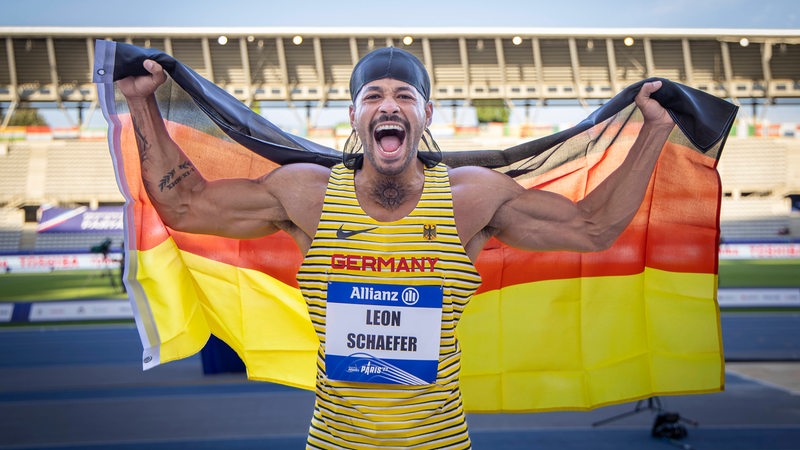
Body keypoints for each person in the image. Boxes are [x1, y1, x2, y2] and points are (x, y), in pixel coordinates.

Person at [118, 46, 674, 449]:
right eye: (373, 97)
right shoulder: (306, 194)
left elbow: (593, 227)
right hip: (334, 443)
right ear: (356, 117)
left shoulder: (471, 198)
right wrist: (143, 103)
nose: (389, 105)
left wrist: (654, 131)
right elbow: (186, 206)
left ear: (425, 115)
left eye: (405, 95)